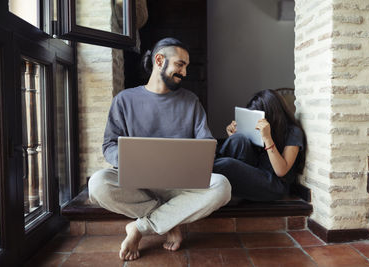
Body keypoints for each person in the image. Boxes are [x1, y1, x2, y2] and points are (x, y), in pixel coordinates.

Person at [87, 37, 231, 261]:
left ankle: (140, 227)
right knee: (97, 183)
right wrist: (134, 161)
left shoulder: (191, 101)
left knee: (222, 186)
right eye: (180, 65)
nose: (184, 72)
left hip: (181, 184)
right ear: (159, 60)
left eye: (186, 67)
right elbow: (108, 146)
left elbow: (207, 145)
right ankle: (169, 220)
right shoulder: (124, 100)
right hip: (139, 184)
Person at [213, 89, 305, 202]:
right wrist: (234, 136)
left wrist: (267, 138)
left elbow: (281, 171)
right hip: (258, 173)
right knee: (239, 139)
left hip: (274, 186)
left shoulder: (293, 132)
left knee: (227, 165)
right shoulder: (264, 129)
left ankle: (202, 171)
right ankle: (220, 184)